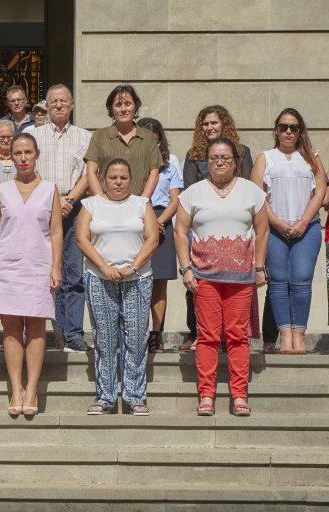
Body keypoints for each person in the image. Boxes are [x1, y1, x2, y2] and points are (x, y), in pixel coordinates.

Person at [175, 137, 268, 417]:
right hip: (204, 276)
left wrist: (260, 267)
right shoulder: (192, 193)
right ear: (206, 162)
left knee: (238, 336)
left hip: (241, 277)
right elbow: (180, 231)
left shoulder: (252, 192)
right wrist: (185, 268)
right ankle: (206, 395)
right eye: (213, 158)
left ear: (235, 162)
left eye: (225, 158)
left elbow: (262, 232)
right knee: (208, 336)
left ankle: (239, 395)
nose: (219, 162)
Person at [0, 133, 62, 416]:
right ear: (11, 157)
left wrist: (56, 267)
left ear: (37, 154)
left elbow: (55, 231)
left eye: (28, 152)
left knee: (37, 327)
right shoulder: (1, 191)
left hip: (39, 265)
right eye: (18, 153)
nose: (23, 158)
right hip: (7, 265)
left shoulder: (50, 189)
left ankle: (32, 388)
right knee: (12, 327)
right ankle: (16, 387)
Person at [77, 158, 159, 416]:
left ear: (131, 179)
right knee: (105, 338)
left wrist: (133, 267)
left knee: (135, 338)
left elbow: (153, 237)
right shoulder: (91, 204)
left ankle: (135, 396)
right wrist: (104, 267)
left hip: (137, 279)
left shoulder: (141, 204)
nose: (119, 182)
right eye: (113, 177)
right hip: (100, 278)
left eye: (123, 177)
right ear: (104, 179)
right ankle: (105, 396)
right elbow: (82, 239)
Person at [251, 108, 326, 355]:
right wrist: (278, 223)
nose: (288, 132)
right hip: (274, 229)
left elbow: (321, 190)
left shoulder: (311, 157)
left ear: (300, 130)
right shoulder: (266, 157)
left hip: (308, 228)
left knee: (302, 281)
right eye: (283, 127)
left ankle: (299, 334)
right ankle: (284, 335)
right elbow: (258, 194)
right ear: (276, 129)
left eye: (294, 127)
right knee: (279, 283)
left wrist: (304, 221)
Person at [180, 105, 255, 351]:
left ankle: (229, 336)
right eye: (205, 124)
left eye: (214, 123)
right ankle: (199, 332)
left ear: (224, 124)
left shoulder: (242, 152)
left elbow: (246, 186)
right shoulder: (194, 155)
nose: (209, 127)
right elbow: (189, 189)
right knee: (197, 283)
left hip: (235, 226)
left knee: (236, 288)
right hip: (202, 228)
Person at [24, 84, 91, 353]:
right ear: (47, 106)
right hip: (42, 207)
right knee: (44, 273)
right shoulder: (32, 134)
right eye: (54, 102)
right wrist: (53, 199)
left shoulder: (85, 137)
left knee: (74, 273)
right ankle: (52, 332)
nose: (59, 105)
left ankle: (73, 334)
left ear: (72, 104)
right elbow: (27, 169)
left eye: (64, 101)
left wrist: (70, 199)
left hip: (74, 209)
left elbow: (89, 173)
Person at [137, 118, 183, 353]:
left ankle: (156, 335)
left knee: (159, 283)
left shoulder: (169, 165)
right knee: (136, 281)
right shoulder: (132, 163)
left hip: (160, 220)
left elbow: (175, 199)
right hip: (136, 220)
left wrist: (159, 221)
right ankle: (136, 332)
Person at [84, 84, 162, 199]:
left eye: (128, 104)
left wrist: (142, 201)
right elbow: (91, 172)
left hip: (138, 205)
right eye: (118, 105)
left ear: (135, 107)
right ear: (111, 109)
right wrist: (101, 199)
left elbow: (154, 174)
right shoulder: (100, 135)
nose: (124, 109)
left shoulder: (148, 137)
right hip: (106, 205)